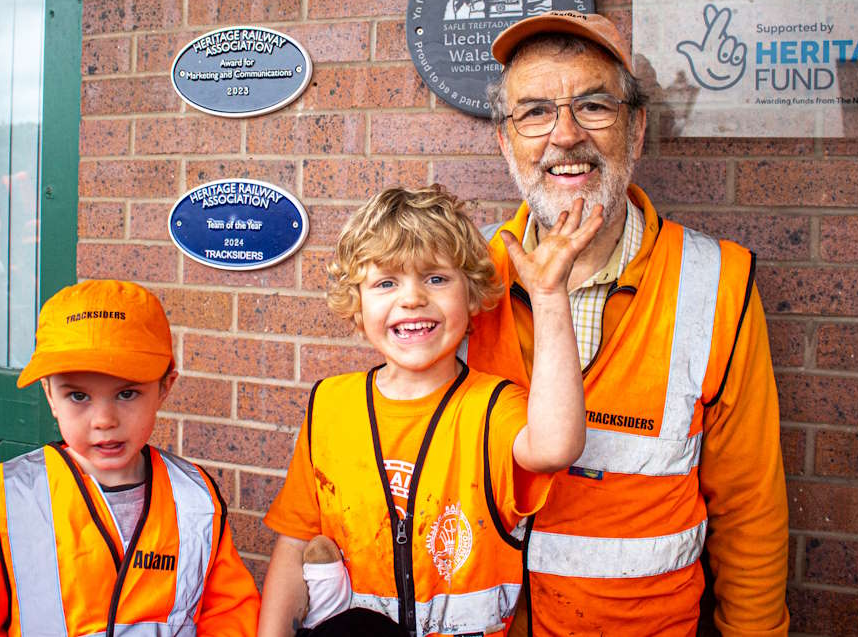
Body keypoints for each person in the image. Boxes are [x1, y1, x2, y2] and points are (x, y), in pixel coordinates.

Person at [467, 10, 790, 636]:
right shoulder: (463, 276)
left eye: (593, 106)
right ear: (506, 143)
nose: (564, 135)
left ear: (636, 130)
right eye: (534, 112)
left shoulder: (714, 282)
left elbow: (750, 508)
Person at [258, 185, 602, 637]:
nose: (412, 298)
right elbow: (296, 540)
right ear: (357, 306)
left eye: (436, 278)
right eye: (385, 283)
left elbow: (557, 446)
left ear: (473, 294)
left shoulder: (493, 406)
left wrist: (549, 296)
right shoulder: (330, 405)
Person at [0, 279, 261, 636]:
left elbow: (230, 613)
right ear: (50, 396)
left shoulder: (194, 499)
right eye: (79, 397)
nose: (104, 421)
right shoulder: (18, 502)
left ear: (164, 387)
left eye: (127, 393)